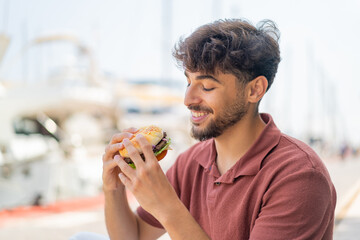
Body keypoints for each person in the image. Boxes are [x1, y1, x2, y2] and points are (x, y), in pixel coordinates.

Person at [75, 18, 337, 240]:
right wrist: (114, 188)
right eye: (188, 82)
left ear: (254, 89)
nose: (188, 99)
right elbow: (133, 236)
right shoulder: (193, 161)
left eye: (207, 86)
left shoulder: (299, 176)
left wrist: (166, 207)